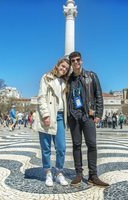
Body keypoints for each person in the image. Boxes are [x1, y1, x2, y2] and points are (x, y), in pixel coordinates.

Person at [67, 51, 109, 187]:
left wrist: (98, 114)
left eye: (78, 60)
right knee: (76, 145)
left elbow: (98, 96)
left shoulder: (91, 76)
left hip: (88, 116)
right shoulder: (69, 80)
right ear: (71, 63)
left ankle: (93, 175)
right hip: (74, 117)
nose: (76, 62)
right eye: (73, 61)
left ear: (82, 61)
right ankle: (79, 173)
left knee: (92, 144)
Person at [35, 58, 70, 187]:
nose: (64, 69)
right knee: (46, 148)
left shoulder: (65, 82)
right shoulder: (46, 77)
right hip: (48, 115)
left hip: (60, 116)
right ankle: (48, 172)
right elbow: (41, 96)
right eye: (62, 66)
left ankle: (59, 172)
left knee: (61, 147)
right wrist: (45, 114)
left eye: (66, 68)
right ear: (58, 65)